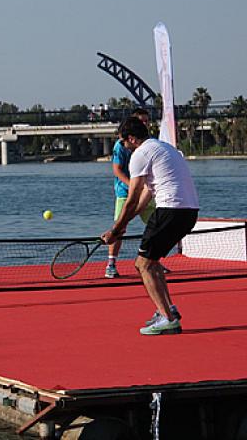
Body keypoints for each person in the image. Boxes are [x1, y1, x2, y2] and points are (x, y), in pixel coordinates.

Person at [101, 117, 199, 335]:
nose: (122, 146)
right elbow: (145, 196)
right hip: (189, 212)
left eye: (123, 142)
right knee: (151, 262)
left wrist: (115, 231)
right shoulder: (164, 148)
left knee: (142, 265)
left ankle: (167, 318)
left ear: (132, 139)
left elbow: (132, 198)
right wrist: (122, 226)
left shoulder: (140, 155)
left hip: (170, 210)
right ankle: (167, 309)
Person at [105, 108, 156, 279]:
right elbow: (117, 170)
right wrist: (134, 186)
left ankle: (152, 261)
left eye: (147, 121)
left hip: (146, 193)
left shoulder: (150, 143)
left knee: (156, 225)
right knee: (119, 228)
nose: (145, 124)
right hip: (124, 192)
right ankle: (111, 265)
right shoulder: (121, 145)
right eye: (142, 121)